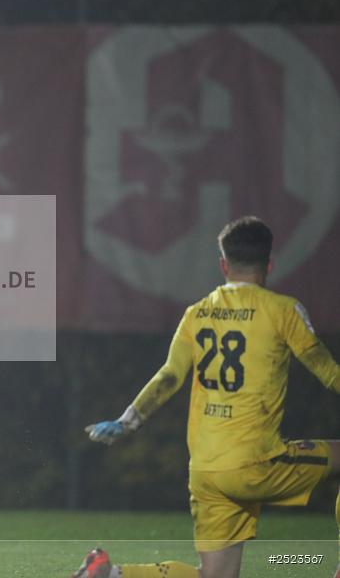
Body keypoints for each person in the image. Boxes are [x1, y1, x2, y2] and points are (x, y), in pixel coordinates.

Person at [73, 216, 340, 578]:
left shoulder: (196, 313)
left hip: (206, 469)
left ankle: (112, 574)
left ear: (224, 265)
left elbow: (169, 376)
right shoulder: (282, 310)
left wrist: (126, 421)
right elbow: (327, 371)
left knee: (213, 576)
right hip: (254, 462)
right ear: (270, 264)